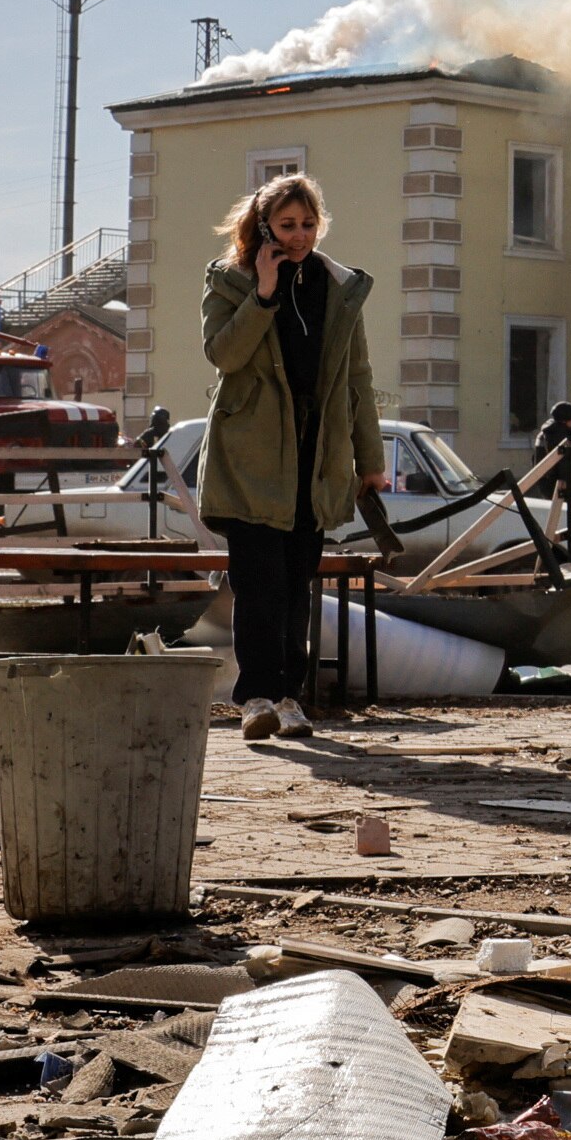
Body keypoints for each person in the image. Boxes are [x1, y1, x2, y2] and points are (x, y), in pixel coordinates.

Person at [198, 173, 388, 741]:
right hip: (250, 458)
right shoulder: (228, 281)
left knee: (296, 584)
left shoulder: (339, 288)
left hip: (315, 457)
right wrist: (263, 291)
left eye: (308, 224)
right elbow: (224, 355)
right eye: (287, 224)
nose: (300, 235)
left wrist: (369, 459)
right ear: (262, 226)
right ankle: (256, 697)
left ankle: (289, 699)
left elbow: (357, 377)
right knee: (258, 585)